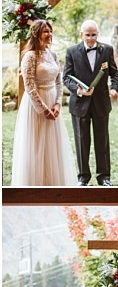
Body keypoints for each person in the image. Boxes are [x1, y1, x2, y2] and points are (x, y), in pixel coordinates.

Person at [10, 19, 77, 185]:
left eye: (50, 31)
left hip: (52, 102)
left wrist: (57, 104)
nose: (49, 34)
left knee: (52, 147)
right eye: (45, 31)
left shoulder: (52, 55)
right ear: (36, 34)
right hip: (35, 106)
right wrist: (44, 109)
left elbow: (59, 82)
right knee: (36, 144)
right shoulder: (29, 56)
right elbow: (29, 85)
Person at [63, 19, 118, 186]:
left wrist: (114, 88)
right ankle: (83, 177)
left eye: (94, 35)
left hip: (101, 103)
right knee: (82, 141)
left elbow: (114, 74)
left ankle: (104, 177)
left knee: (102, 140)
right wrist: (79, 90)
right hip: (79, 104)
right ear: (82, 34)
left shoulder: (107, 50)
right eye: (87, 35)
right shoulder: (72, 51)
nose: (91, 39)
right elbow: (66, 77)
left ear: (98, 34)